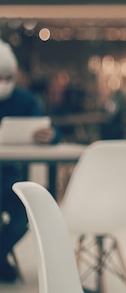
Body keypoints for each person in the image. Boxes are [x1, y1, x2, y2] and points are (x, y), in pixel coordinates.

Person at [0, 41, 59, 283]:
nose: (3, 83)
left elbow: (50, 129)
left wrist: (50, 135)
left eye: (8, 77)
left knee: (26, 210)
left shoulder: (24, 100)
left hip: (10, 179)